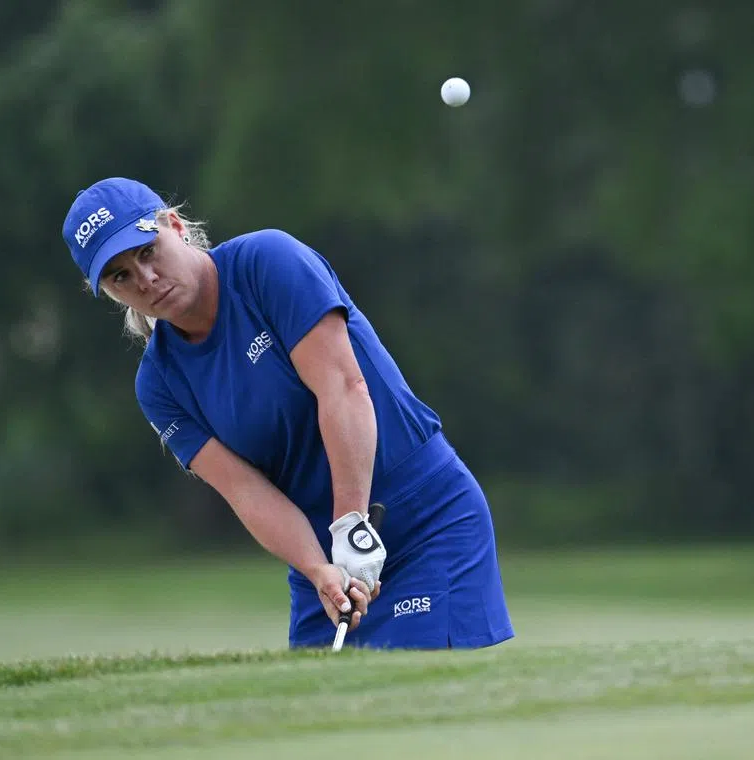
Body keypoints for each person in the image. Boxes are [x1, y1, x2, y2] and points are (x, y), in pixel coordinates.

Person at [61, 176, 514, 650]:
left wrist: (351, 529)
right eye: (120, 276)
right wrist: (319, 569)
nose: (145, 280)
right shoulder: (159, 383)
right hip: (323, 558)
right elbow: (245, 491)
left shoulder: (267, 263)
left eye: (147, 252)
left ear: (174, 226)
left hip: (424, 520)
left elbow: (343, 388)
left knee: (424, 701)